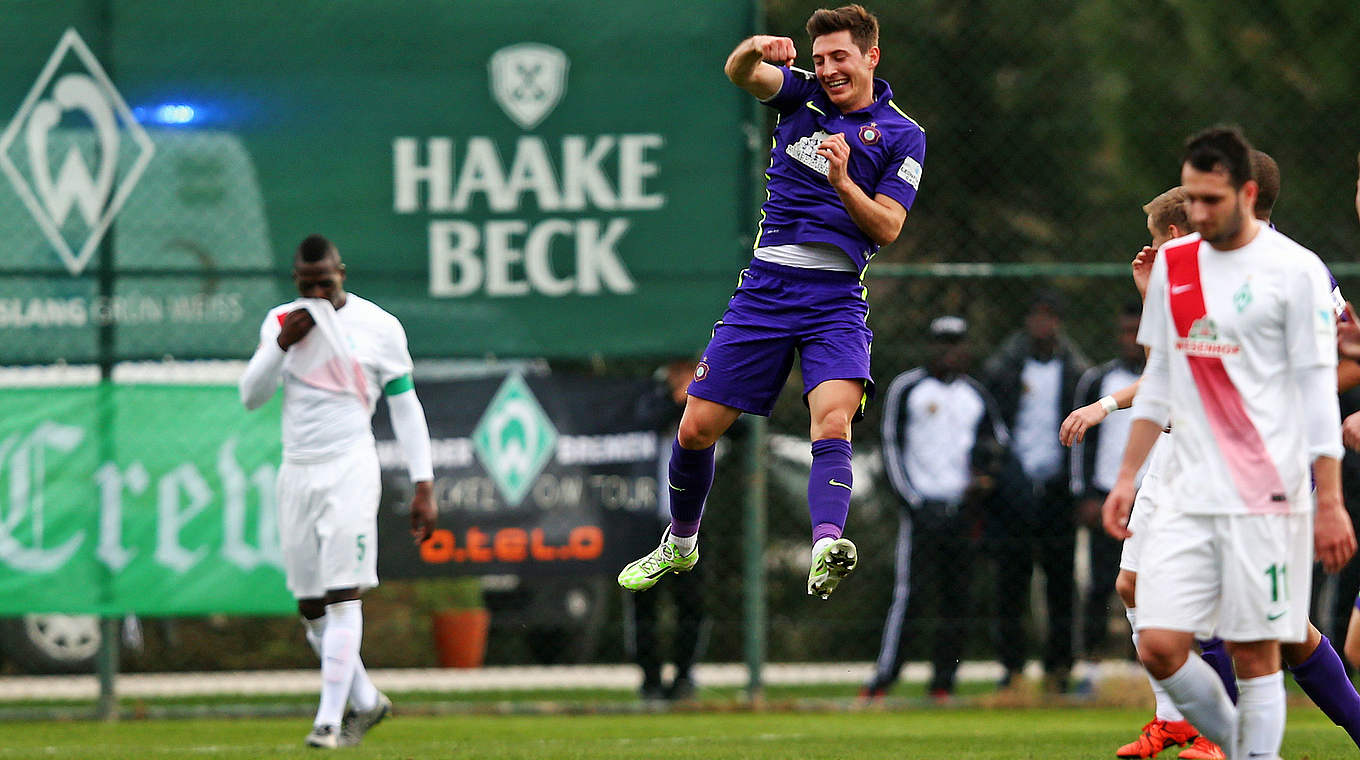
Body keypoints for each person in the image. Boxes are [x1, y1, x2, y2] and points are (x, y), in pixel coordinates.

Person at [617, 4, 926, 600]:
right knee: (696, 431)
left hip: (834, 298)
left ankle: (826, 544)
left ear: (871, 56)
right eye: (820, 59)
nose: (830, 69)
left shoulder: (902, 134)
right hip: (766, 289)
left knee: (831, 421)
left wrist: (842, 181)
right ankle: (679, 543)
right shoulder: (801, 98)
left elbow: (887, 227)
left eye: (841, 57)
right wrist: (754, 46)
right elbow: (739, 73)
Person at [1102, 127, 1356, 760]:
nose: (1193, 210)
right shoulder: (1180, 269)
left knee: (1261, 634)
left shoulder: (1295, 268)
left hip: (1267, 474)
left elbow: (1345, 362)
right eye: (1189, 197)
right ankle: (1220, 736)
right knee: (1161, 634)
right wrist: (1127, 474)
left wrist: (1328, 495)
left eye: (1206, 197)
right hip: (1191, 468)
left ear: (1244, 195)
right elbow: (1164, 375)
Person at [239, 234, 437, 749]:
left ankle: (328, 721)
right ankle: (368, 702)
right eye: (307, 285)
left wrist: (424, 483)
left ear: (341, 273)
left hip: (350, 467)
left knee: (343, 592)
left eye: (325, 283)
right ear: (296, 282)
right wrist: (282, 345)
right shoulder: (282, 321)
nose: (318, 294)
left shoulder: (378, 326)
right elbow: (251, 397)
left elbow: (405, 405)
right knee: (311, 607)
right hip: (297, 472)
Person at [862, 316, 1007, 700]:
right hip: (921, 509)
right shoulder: (907, 388)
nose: (948, 351)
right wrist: (911, 501)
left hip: (962, 510)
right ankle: (885, 678)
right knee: (910, 594)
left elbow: (997, 444)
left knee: (957, 597)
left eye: (955, 343)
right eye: (941, 342)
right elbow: (890, 447)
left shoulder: (975, 395)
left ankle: (943, 683)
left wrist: (984, 479)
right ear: (930, 346)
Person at [981, 290, 1090, 691]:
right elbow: (991, 424)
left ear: (1059, 323)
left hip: (1058, 490)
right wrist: (999, 473)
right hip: (1013, 490)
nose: (1042, 324)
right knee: (1011, 580)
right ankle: (1011, 668)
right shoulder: (1005, 368)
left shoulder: (1076, 372)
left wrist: (1077, 488)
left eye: (1050, 316)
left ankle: (1059, 667)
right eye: (1036, 316)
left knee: (1061, 582)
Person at [1070, 301, 1147, 666]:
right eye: (1125, 332)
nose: (1131, 340)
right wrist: (1083, 493)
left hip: (1154, 494)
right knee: (1100, 582)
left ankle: (1146, 663)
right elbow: (1078, 443)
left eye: (1138, 331)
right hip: (1107, 495)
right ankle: (1092, 662)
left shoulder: (1169, 378)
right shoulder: (1100, 382)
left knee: (1150, 583)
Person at [626, 360, 708, 702]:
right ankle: (650, 680)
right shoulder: (652, 395)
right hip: (648, 517)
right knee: (644, 600)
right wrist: (678, 400)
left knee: (691, 602)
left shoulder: (710, 396)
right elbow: (643, 419)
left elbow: (740, 427)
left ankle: (685, 675)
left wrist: (696, 400)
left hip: (692, 521)